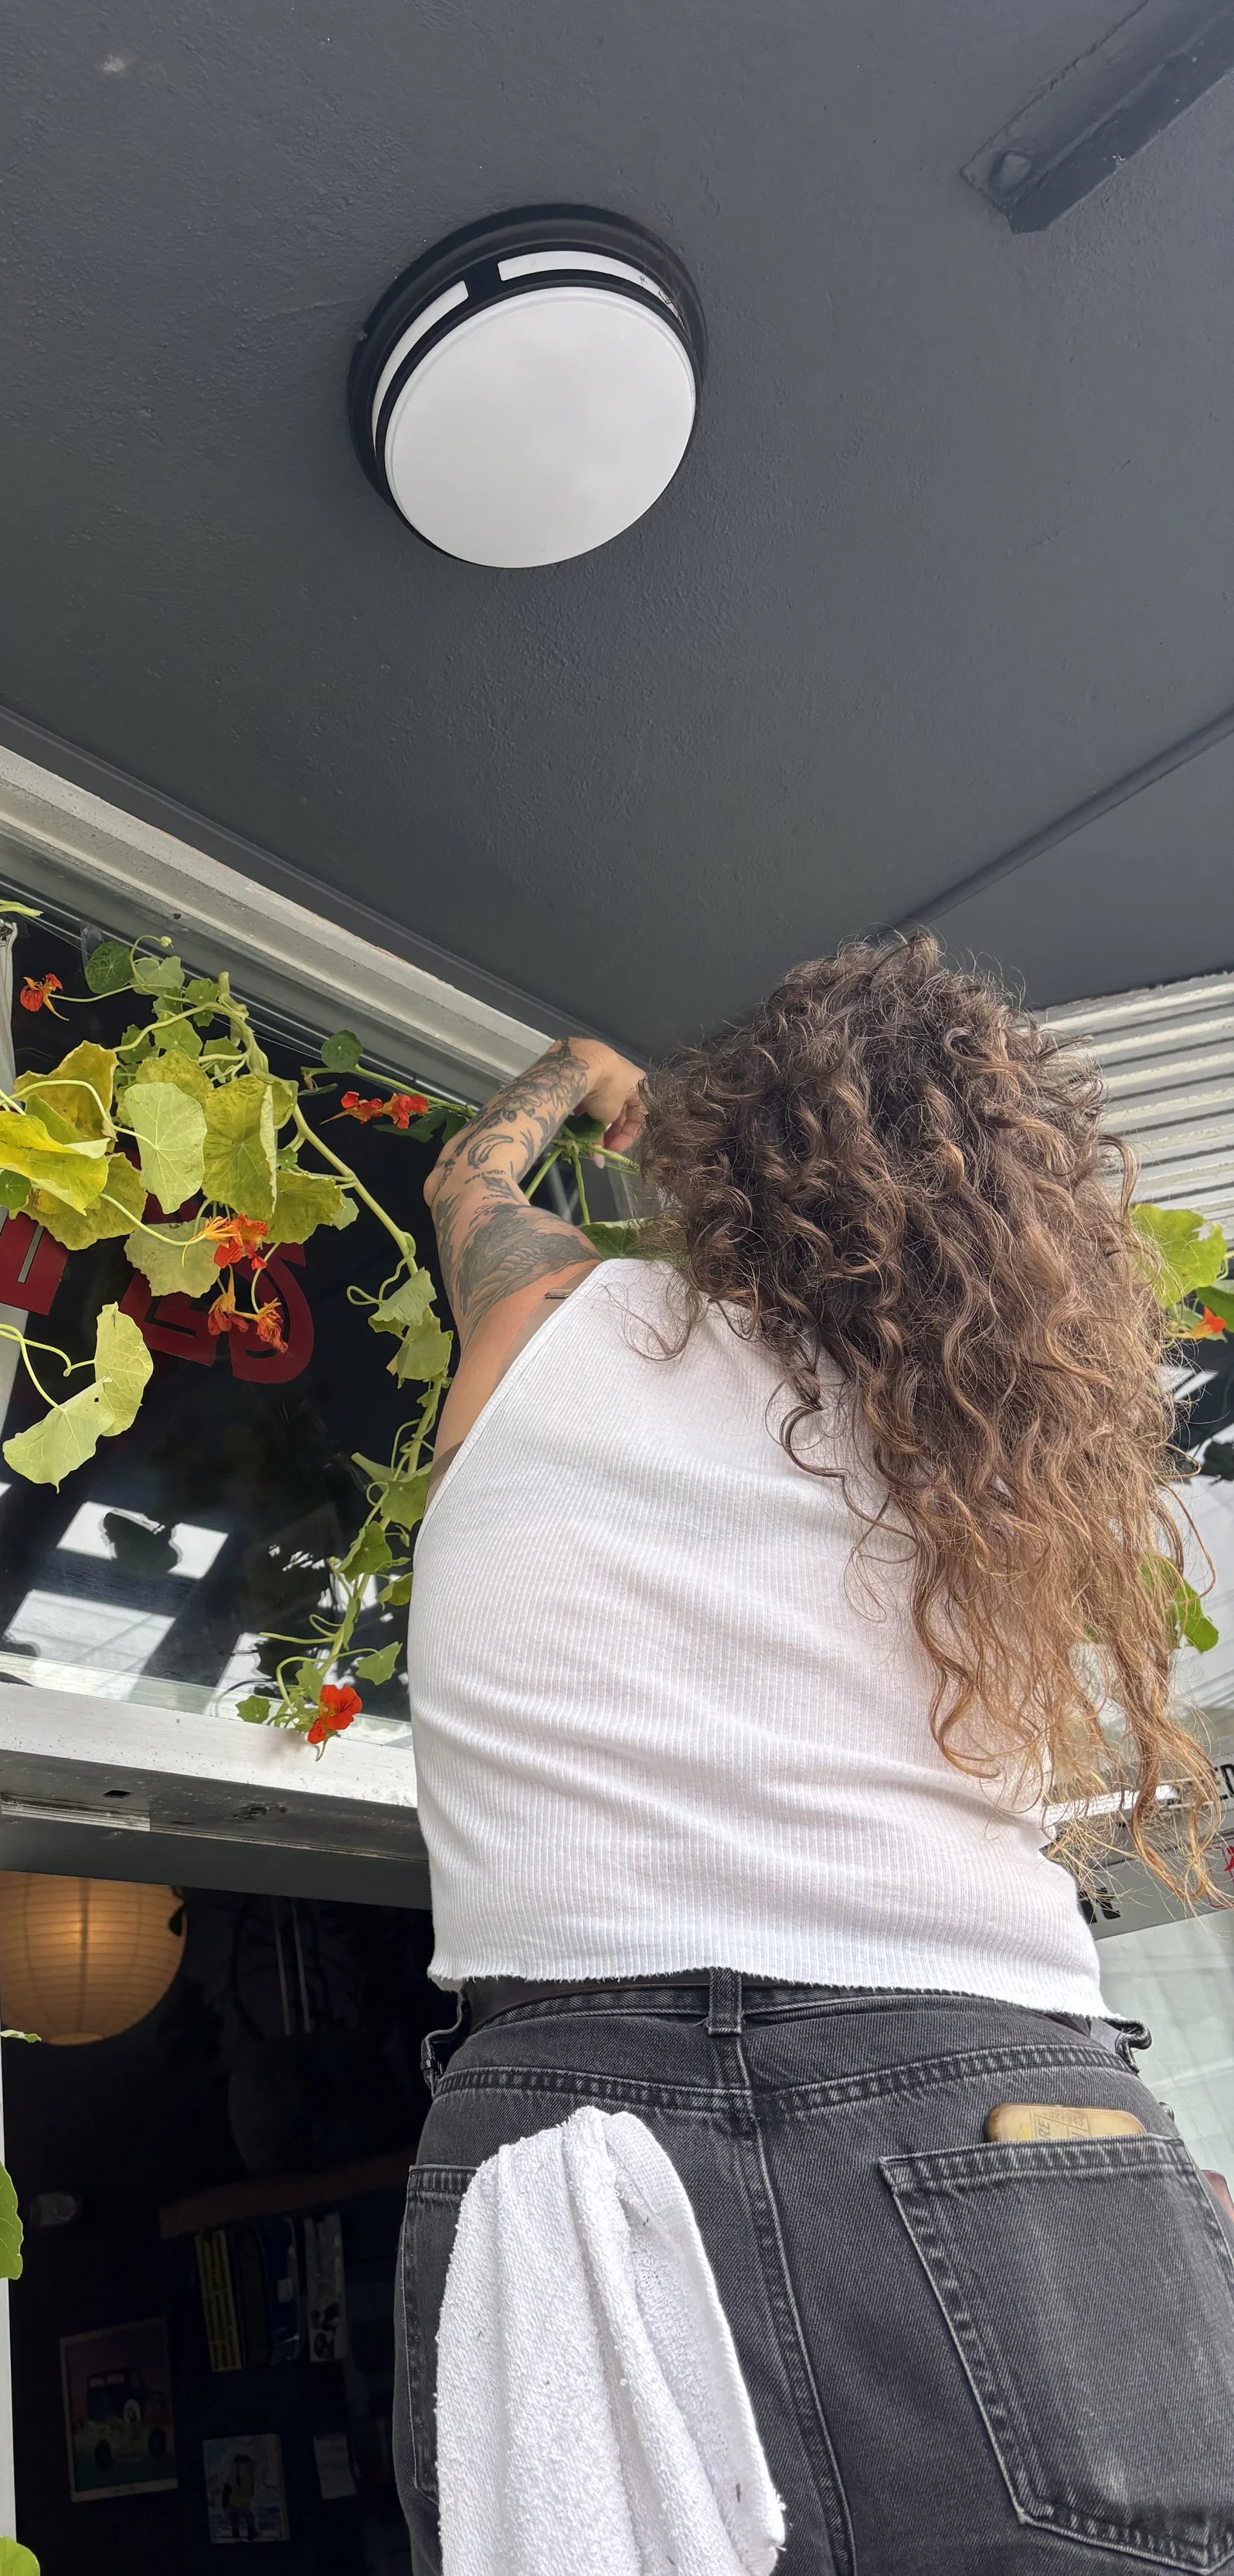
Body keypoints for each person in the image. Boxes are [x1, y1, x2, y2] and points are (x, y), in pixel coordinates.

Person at [396, 936, 1234, 2576]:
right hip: (1002, 2101)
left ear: (721, 1172)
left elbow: (470, 1171)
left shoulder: (542, 1324)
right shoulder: (976, 1447)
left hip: (565, 2111)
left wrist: (590, 1069)